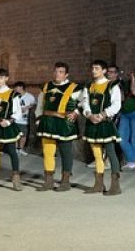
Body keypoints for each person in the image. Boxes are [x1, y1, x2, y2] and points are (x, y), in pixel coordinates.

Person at [35, 62, 84, 191]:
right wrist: (38, 119)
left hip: (64, 124)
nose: (58, 74)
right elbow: (40, 104)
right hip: (47, 123)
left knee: (65, 153)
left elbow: (85, 101)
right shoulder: (46, 86)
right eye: (56, 71)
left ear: (66, 74)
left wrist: (76, 112)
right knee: (48, 152)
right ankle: (49, 181)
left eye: (61, 72)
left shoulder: (74, 87)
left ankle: (65, 181)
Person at [82, 60, 123, 195]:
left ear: (104, 71)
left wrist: (102, 115)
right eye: (93, 68)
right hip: (92, 122)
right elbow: (85, 102)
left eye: (97, 68)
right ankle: (98, 184)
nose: (94, 70)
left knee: (111, 153)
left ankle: (115, 185)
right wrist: (89, 115)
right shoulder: (89, 86)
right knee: (97, 154)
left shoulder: (112, 85)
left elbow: (116, 104)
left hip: (104, 123)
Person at [13, 82, 34, 155]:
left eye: (16, 87)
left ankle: (21, 149)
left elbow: (33, 104)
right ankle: (15, 149)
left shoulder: (30, 96)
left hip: (24, 120)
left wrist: (27, 107)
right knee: (15, 135)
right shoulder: (14, 96)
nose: (15, 89)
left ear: (21, 87)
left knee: (24, 135)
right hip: (15, 119)